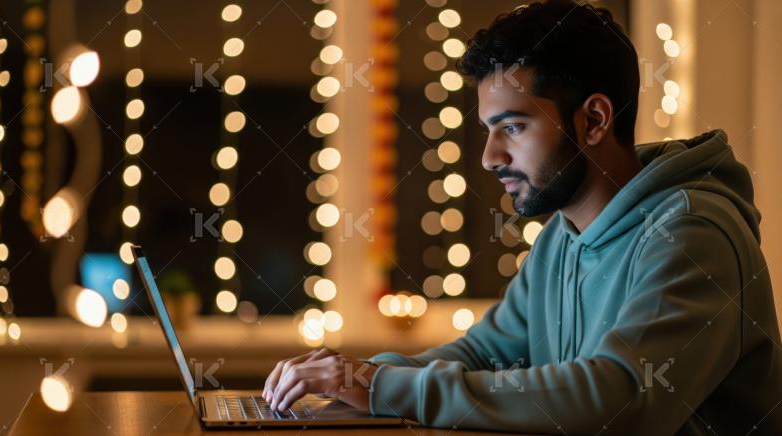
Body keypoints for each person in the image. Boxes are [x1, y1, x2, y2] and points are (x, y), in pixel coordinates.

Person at [262, 0, 782, 433]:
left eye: (512, 127)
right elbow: (487, 353)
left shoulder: (693, 233)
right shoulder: (562, 235)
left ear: (594, 119)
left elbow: (621, 398)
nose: (489, 157)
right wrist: (359, 374)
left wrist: (379, 388)